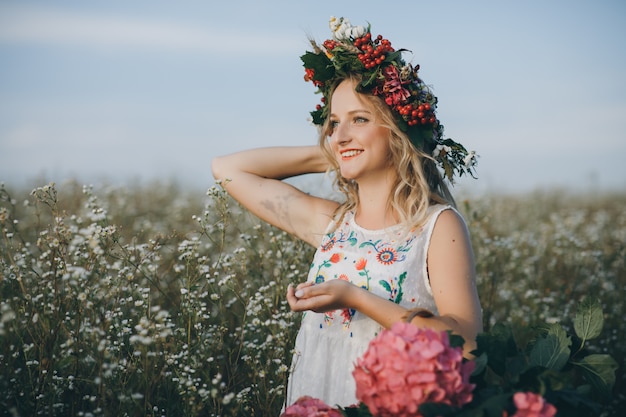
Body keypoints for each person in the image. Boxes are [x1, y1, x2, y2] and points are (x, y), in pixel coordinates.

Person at [211, 16, 482, 408]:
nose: (340, 133)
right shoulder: (333, 224)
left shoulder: (437, 227)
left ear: (399, 128)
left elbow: (467, 344)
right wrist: (337, 150)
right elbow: (227, 169)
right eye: (333, 122)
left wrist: (355, 297)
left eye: (360, 119)